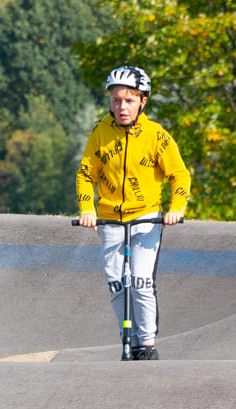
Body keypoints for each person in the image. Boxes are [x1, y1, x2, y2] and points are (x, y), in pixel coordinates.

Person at [75, 66, 191, 360]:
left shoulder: (156, 135)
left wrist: (176, 209)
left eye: (129, 100)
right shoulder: (100, 132)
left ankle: (146, 343)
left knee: (140, 280)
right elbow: (86, 173)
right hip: (110, 218)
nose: (121, 107)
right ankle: (127, 337)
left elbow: (179, 175)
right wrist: (87, 209)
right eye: (116, 100)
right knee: (116, 282)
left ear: (143, 102)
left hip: (146, 218)